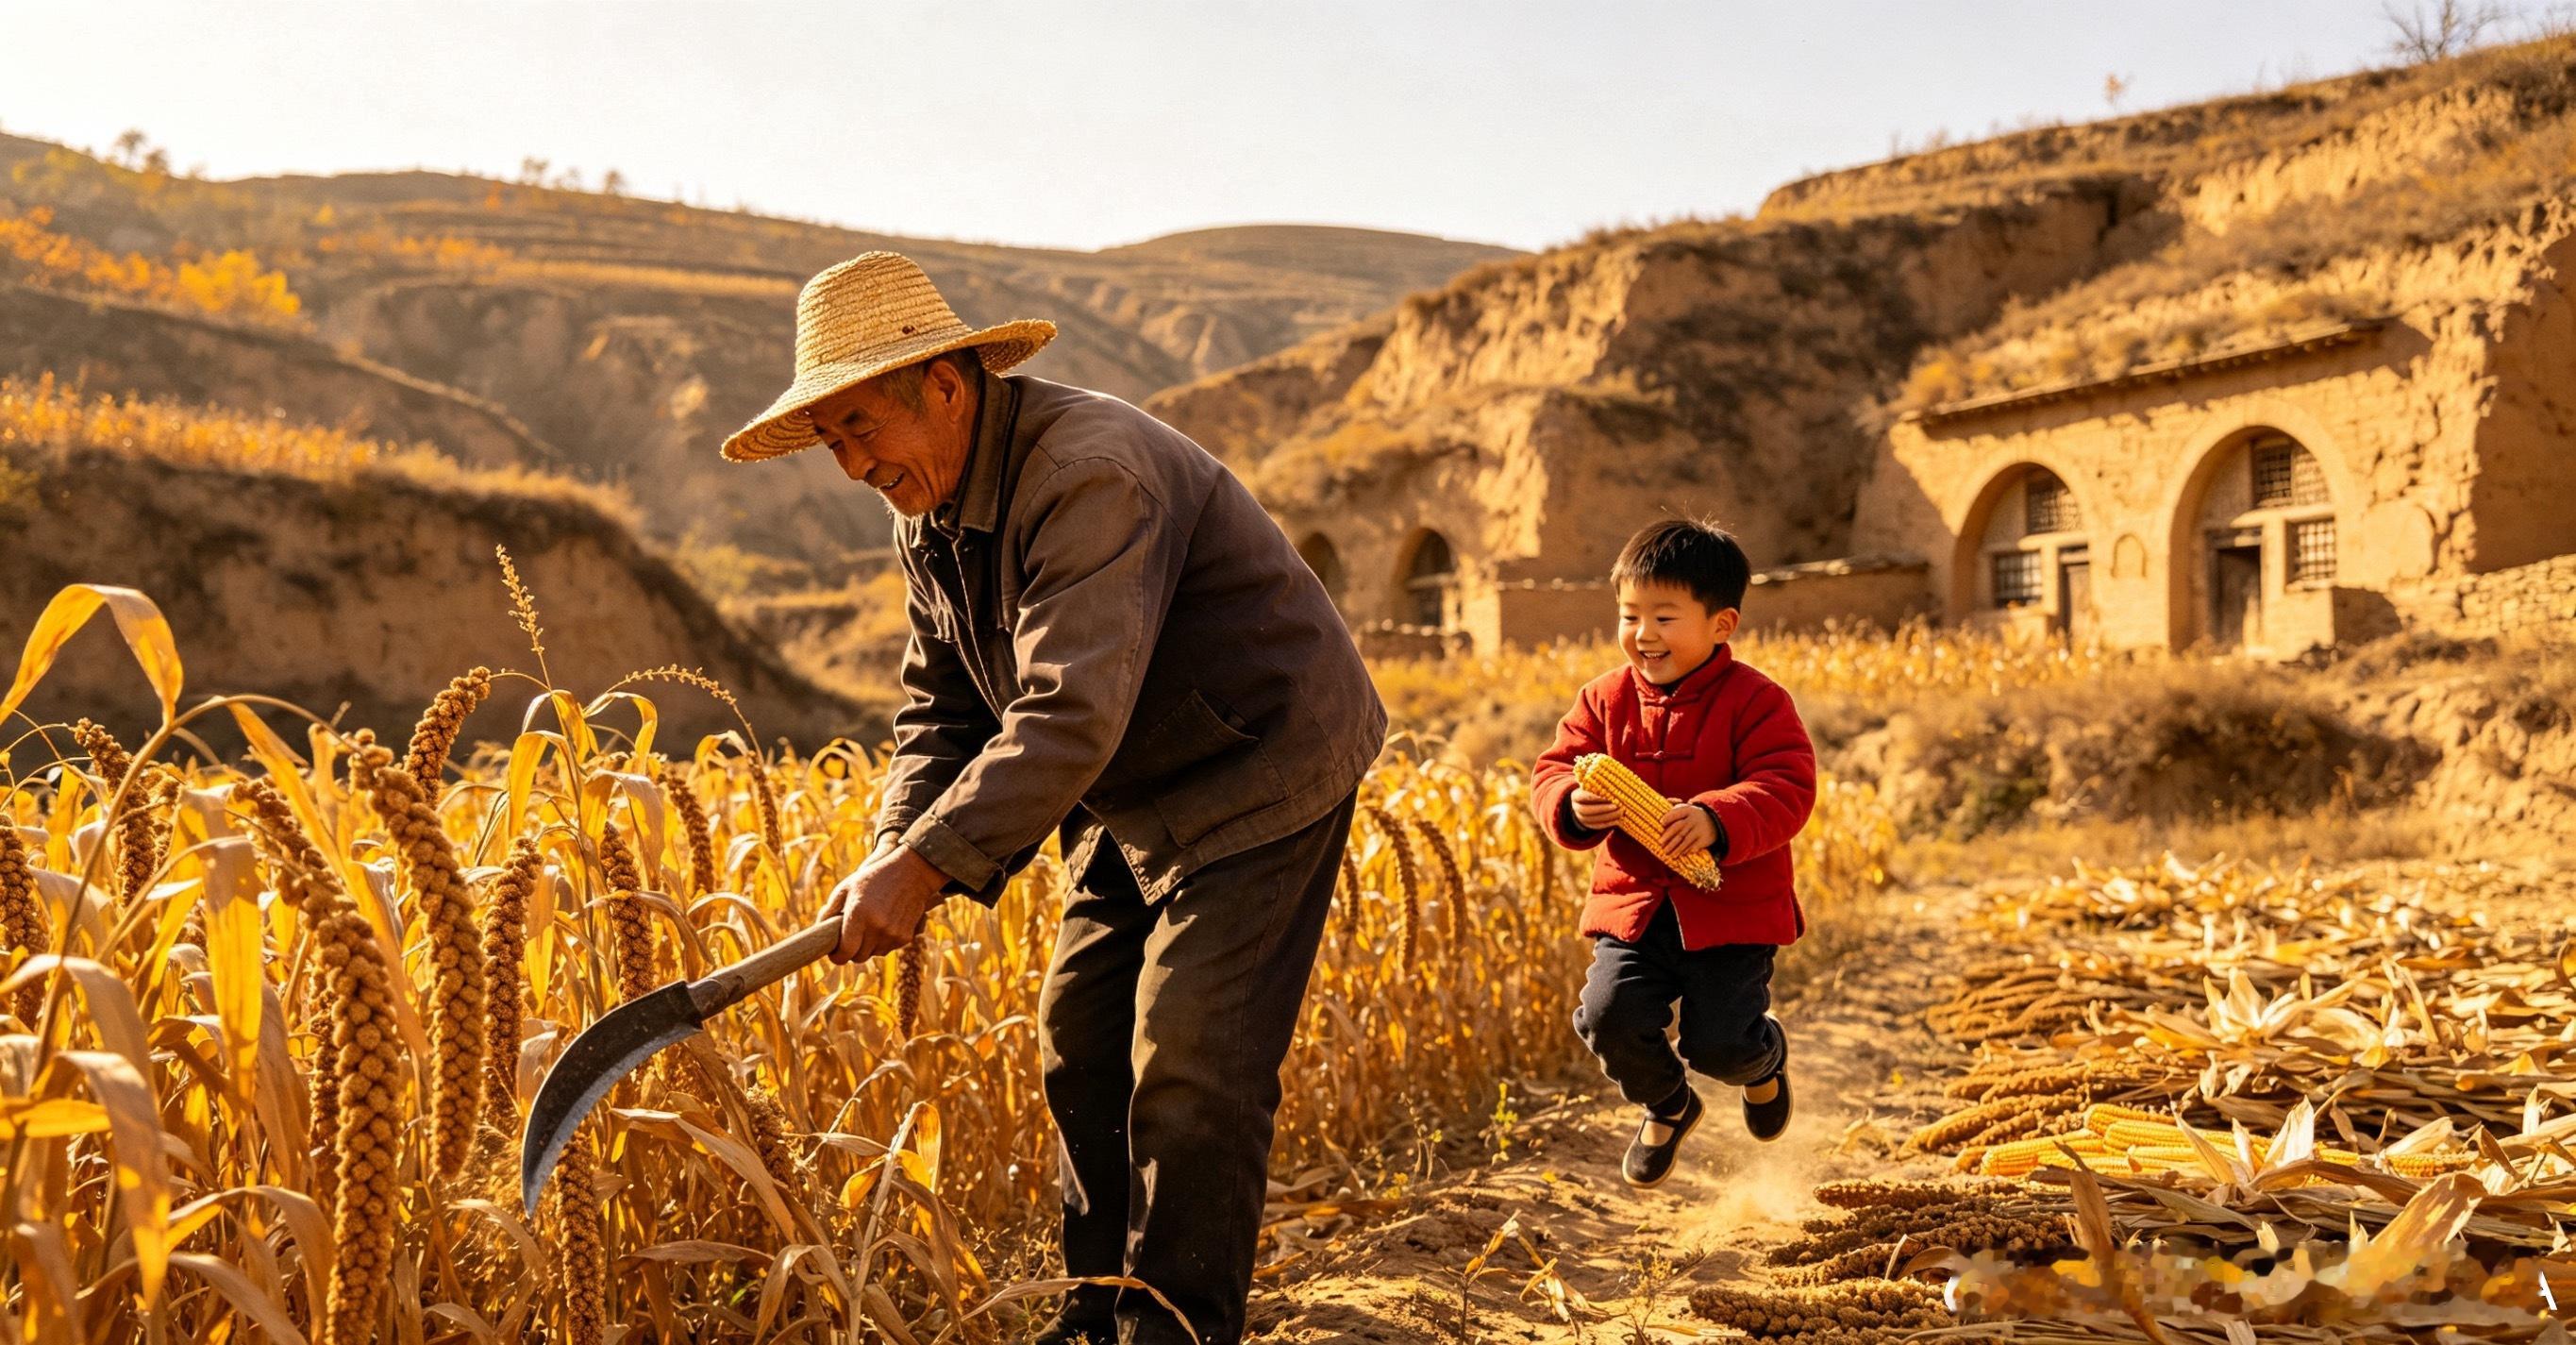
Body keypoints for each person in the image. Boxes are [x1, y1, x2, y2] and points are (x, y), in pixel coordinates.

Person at [721, 252, 1387, 1344]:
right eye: (831, 440)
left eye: (858, 427)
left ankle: (1176, 1329)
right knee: (1079, 1039)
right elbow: (943, 710)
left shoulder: (1089, 473)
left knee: (1190, 1064)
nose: (851, 465)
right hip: (1131, 784)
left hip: (1259, 761)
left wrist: (932, 862)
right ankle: (1099, 1313)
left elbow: (1069, 712)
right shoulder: (926, 508)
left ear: (942, 384)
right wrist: (897, 843)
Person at [1530, 518, 1817, 1187]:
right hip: (1633, 906)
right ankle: (1668, 1104)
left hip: (1730, 910)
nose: (1643, 633)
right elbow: (1553, 768)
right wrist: (1570, 803)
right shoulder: (1602, 699)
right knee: (1607, 1016)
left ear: (1722, 624)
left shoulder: (1758, 701)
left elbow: (1788, 785)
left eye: (1664, 616)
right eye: (1630, 615)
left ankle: (1763, 1059)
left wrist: (1716, 817)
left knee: (1721, 1044)